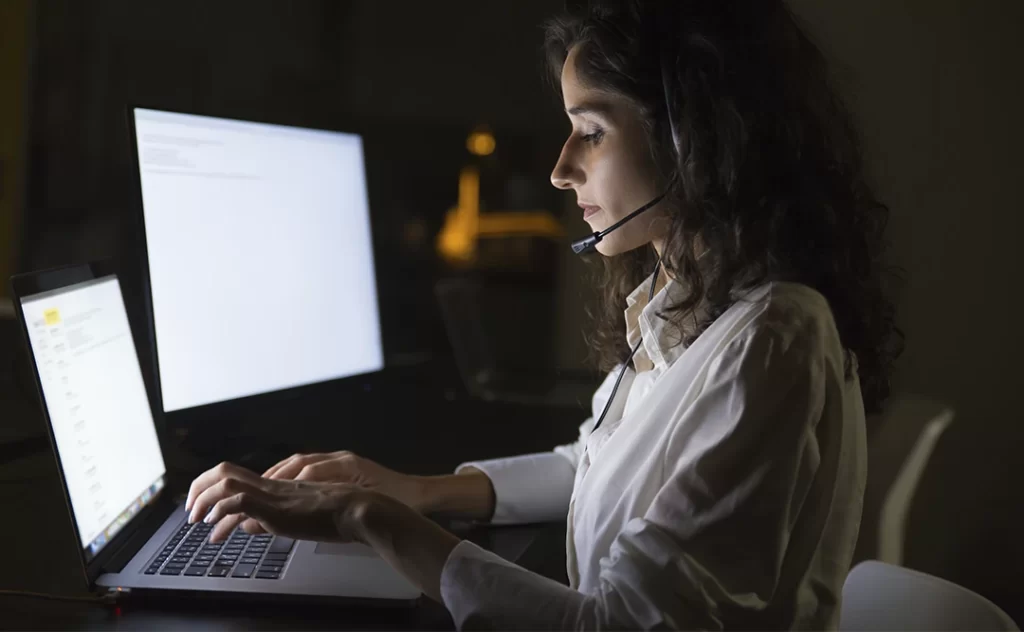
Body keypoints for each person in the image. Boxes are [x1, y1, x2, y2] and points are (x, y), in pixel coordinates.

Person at [185, 0, 901, 628]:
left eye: (590, 131)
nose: (561, 167)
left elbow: (616, 627)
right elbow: (605, 463)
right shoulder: (686, 308)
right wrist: (420, 491)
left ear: (693, 137)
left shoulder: (772, 339)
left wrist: (364, 517)